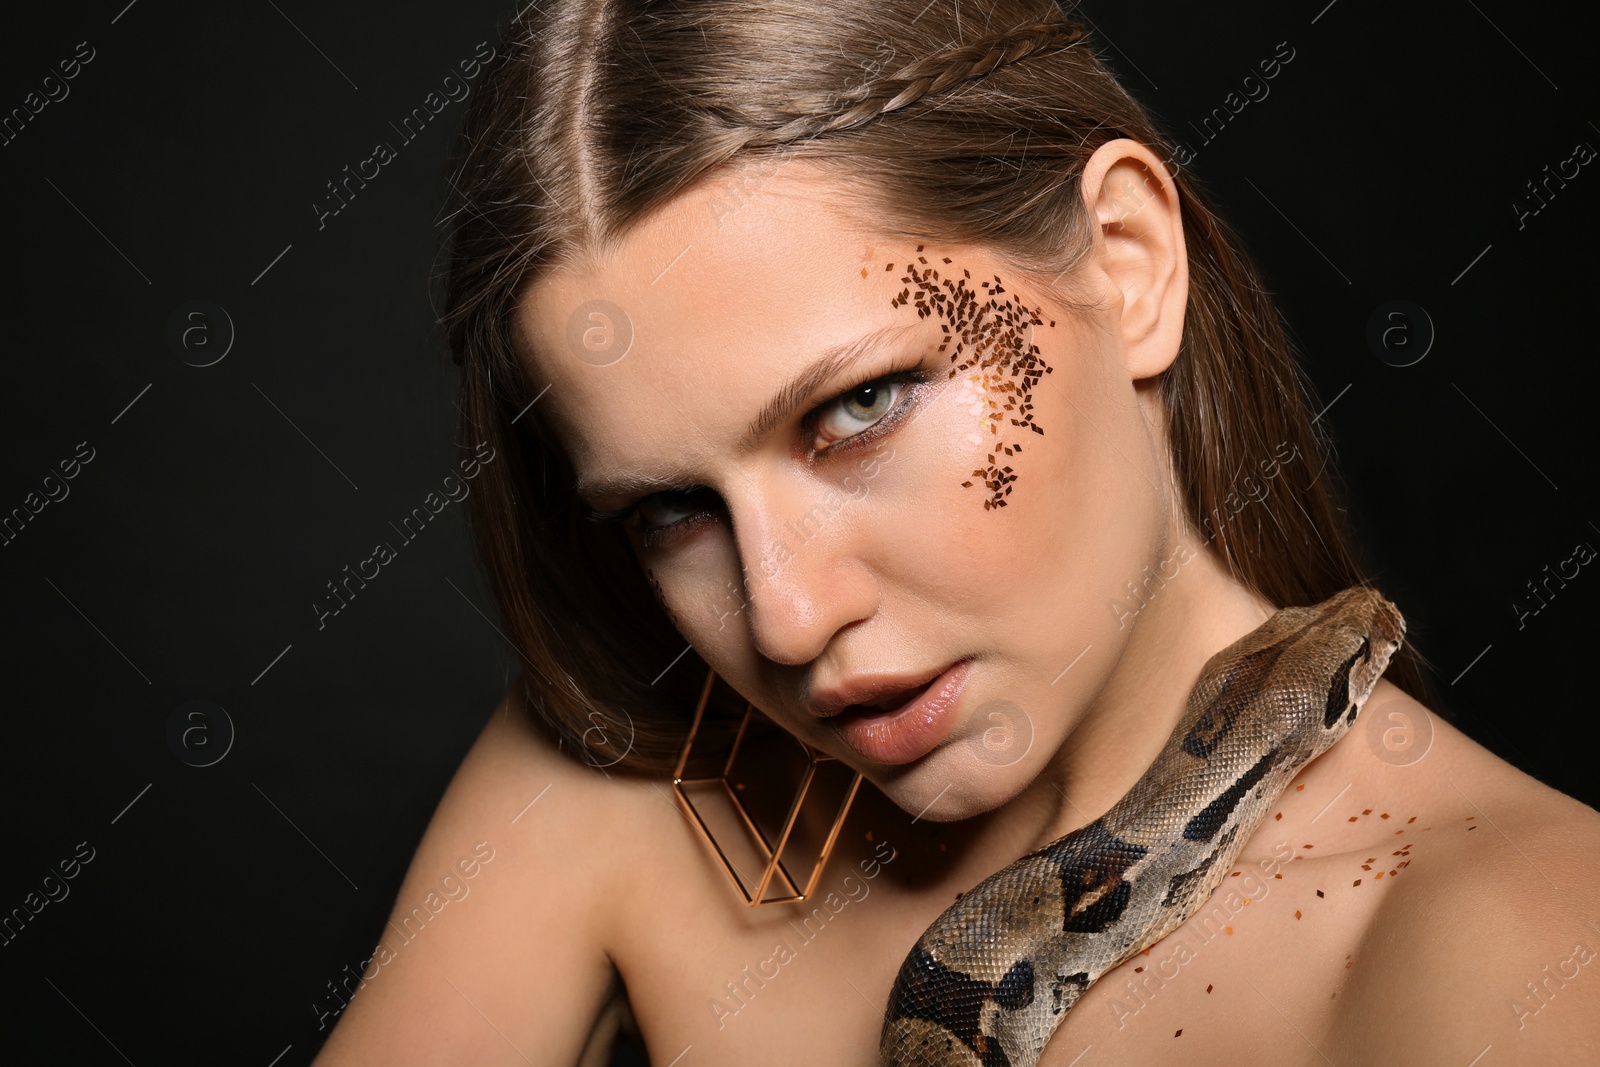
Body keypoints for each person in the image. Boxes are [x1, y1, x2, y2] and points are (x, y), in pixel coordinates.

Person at [311, 1, 1600, 1063]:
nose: (788, 618)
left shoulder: (1537, 960)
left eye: (859, 407)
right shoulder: (623, 778)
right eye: (671, 510)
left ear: (1127, 260)